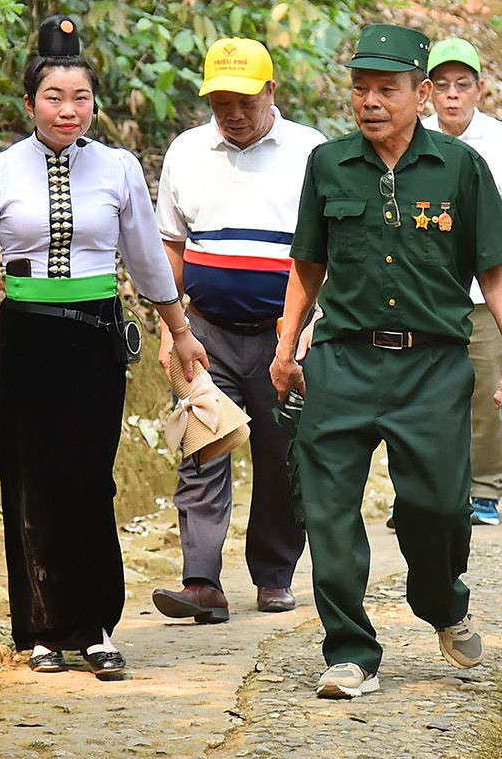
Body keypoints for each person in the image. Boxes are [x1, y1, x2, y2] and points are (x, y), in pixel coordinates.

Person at [0, 14, 210, 680]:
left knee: (89, 481)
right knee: (33, 483)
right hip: (30, 340)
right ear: (29, 103)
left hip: (95, 338)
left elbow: (147, 260)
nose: (68, 110)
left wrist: (180, 331)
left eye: (81, 97)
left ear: (95, 102)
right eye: (54, 97)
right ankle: (44, 630)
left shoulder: (120, 169)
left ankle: (99, 626)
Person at [271, 23, 502, 701]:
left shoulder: (460, 168)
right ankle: (351, 652)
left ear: (422, 94)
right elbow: (307, 264)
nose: (370, 102)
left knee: (439, 509)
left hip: (433, 366)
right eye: (360, 89)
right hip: (343, 360)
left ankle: (442, 601)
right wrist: (286, 343)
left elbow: (496, 267)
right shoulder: (328, 164)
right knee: (326, 508)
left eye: (387, 89)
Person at [151, 38, 324, 626]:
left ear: (271, 91)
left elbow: (328, 252)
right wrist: (170, 327)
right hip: (206, 331)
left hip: (284, 332)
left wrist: (305, 330)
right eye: (221, 99)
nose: (233, 111)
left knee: (282, 456)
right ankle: (201, 582)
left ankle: (273, 575)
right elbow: (170, 246)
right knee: (202, 447)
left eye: (245, 98)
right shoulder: (187, 151)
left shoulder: (309, 152)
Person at [421, 37, 502, 527]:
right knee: (424, 395)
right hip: (425, 291)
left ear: (480, 90)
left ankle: (485, 488)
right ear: (426, 91)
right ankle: (426, 491)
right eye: (442, 86)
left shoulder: (500, 141)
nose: (452, 96)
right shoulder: (412, 135)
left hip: (481, 292)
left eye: (462, 86)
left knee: (490, 389)